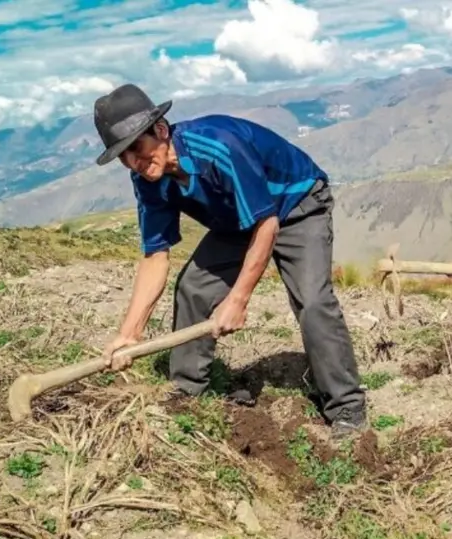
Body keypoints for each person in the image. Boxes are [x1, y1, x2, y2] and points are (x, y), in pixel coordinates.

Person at [94, 83, 367, 441]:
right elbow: (155, 256)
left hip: (298, 204)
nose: (134, 162)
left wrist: (237, 300)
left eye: (137, 148)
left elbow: (267, 225)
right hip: (238, 220)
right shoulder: (147, 179)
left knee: (313, 301)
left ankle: (346, 406)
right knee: (192, 288)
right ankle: (187, 392)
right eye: (123, 156)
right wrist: (129, 333)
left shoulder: (218, 147)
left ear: (160, 130)